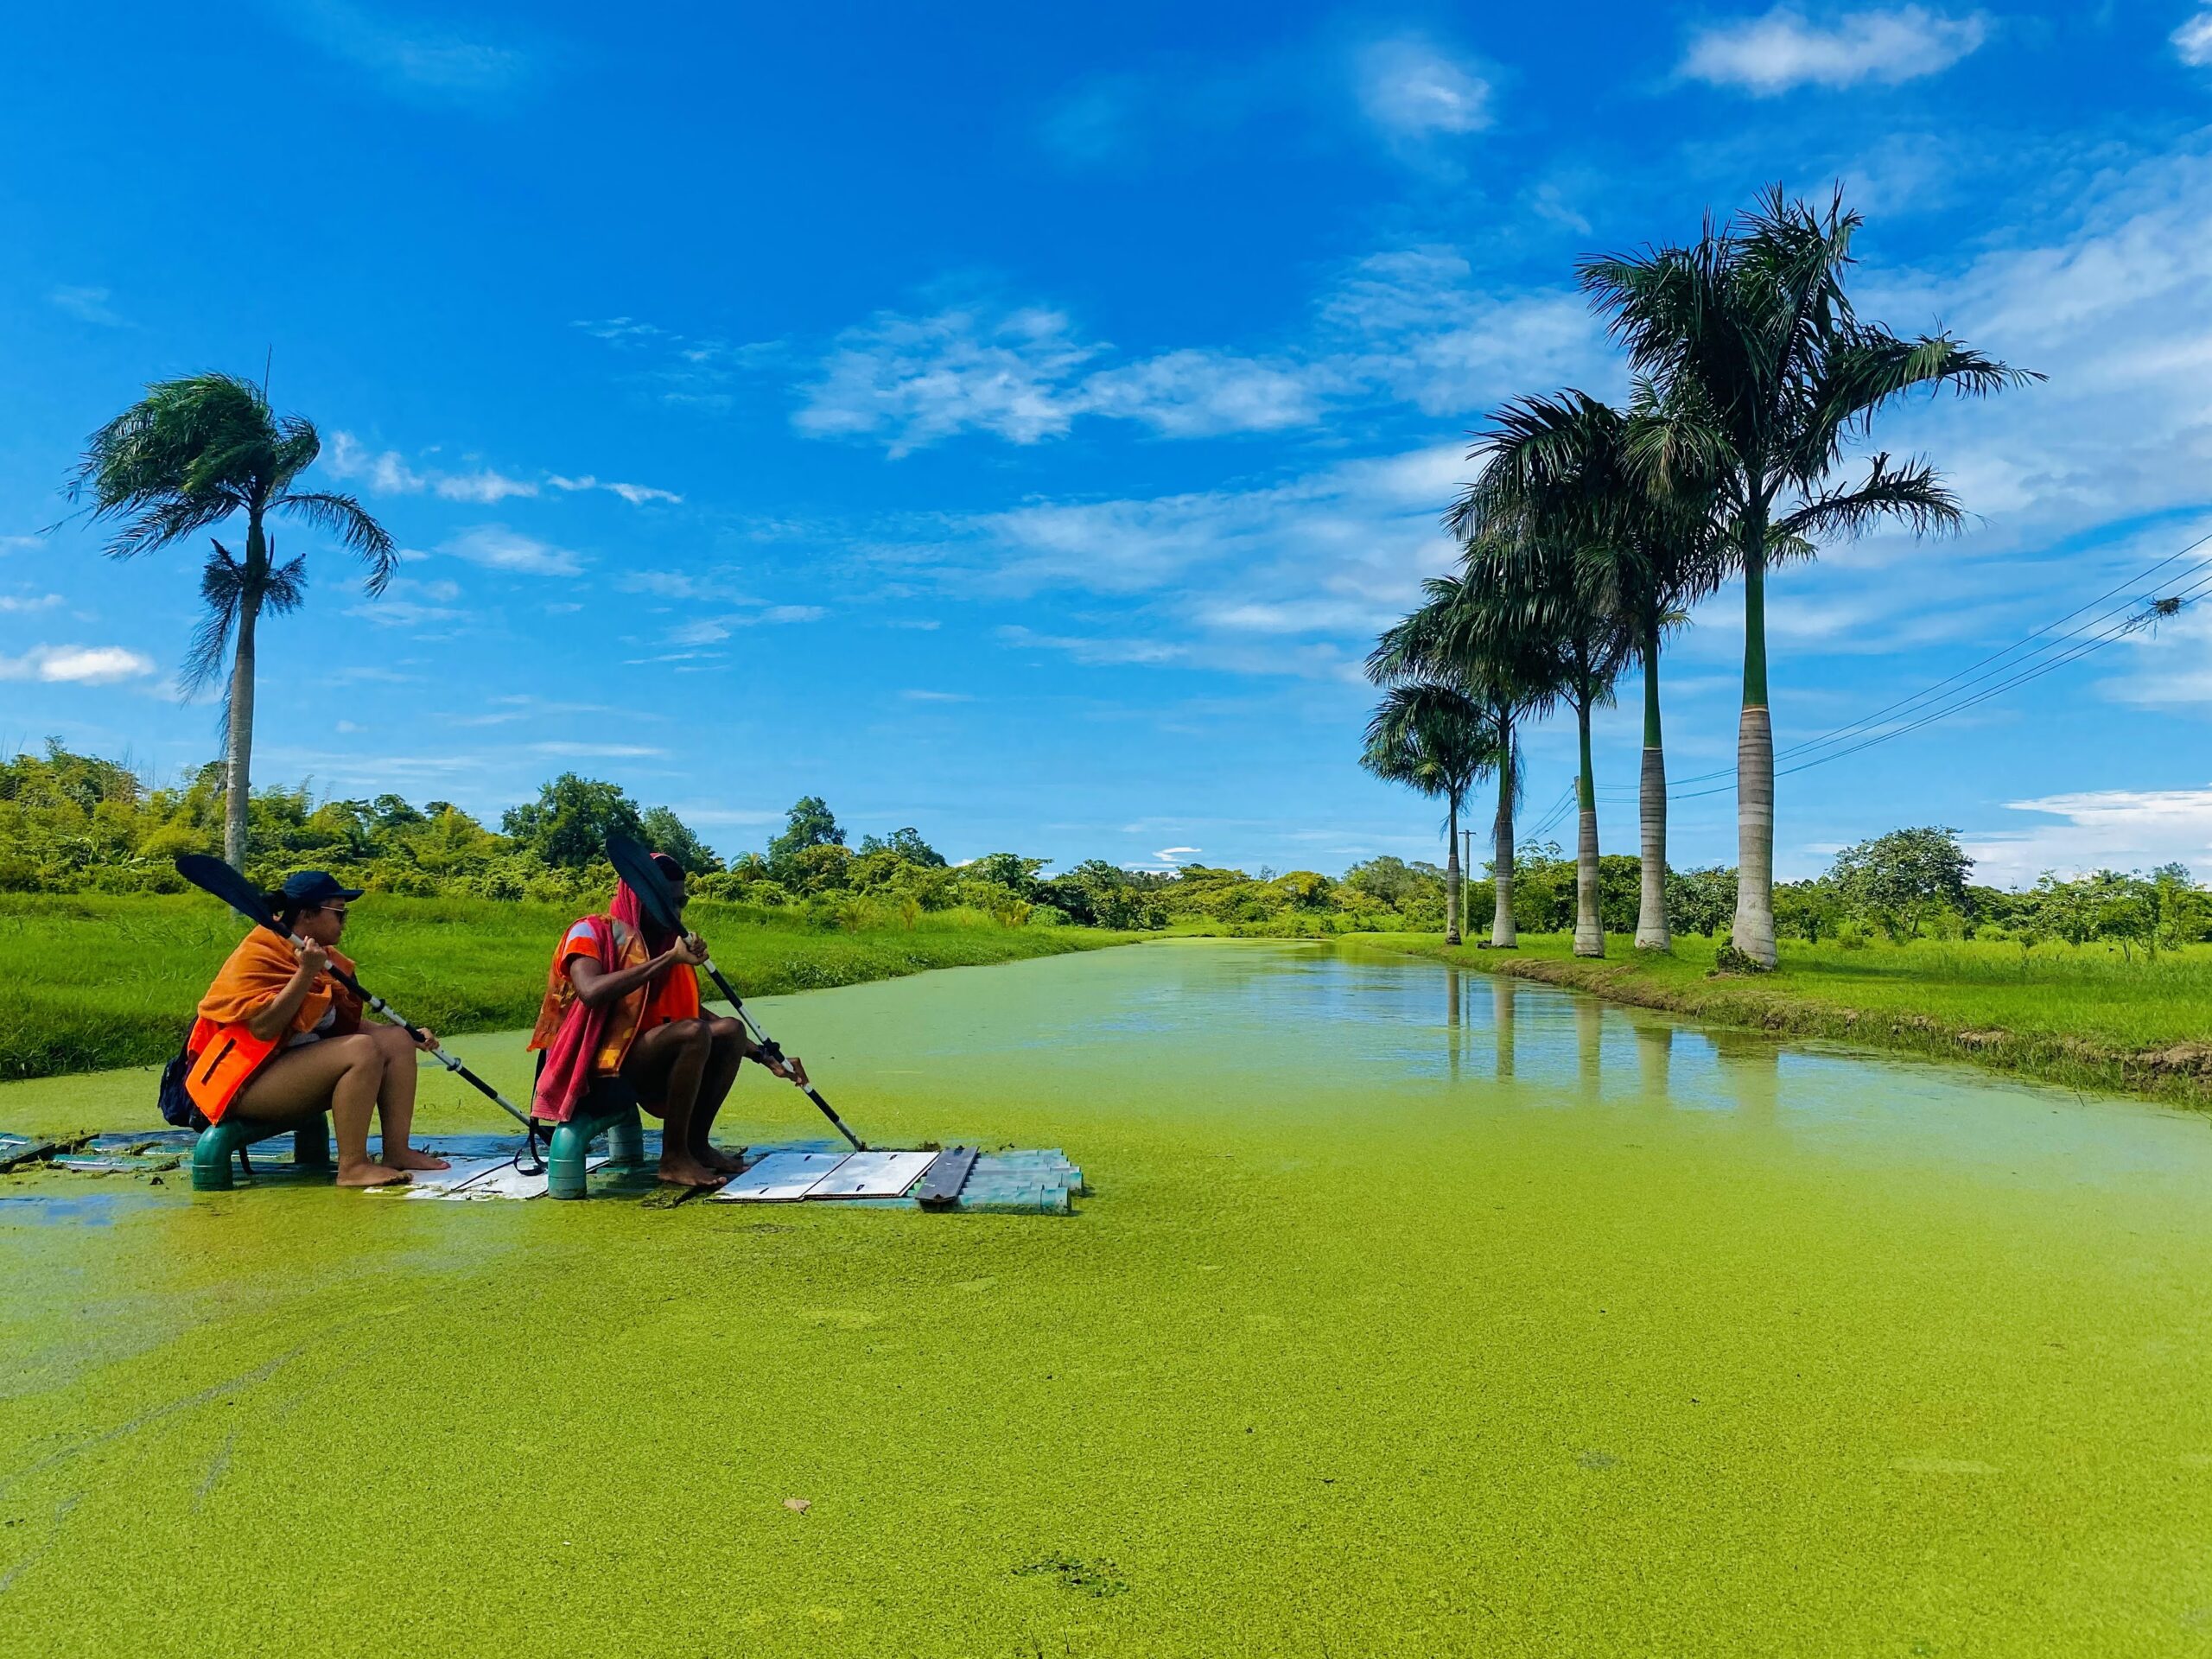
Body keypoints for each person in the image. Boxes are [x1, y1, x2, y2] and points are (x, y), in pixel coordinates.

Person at [527, 852, 806, 1188]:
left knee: (730, 1029)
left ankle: (696, 1146)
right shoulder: (591, 932)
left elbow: (691, 1011)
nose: (674, 915)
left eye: (680, 904)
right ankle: (673, 1158)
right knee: (692, 1034)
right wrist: (668, 959)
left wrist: (763, 1056)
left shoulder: (660, 944)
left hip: (643, 1061)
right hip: (591, 1072)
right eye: (665, 905)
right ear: (639, 899)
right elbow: (591, 991)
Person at [185, 871, 449, 1188]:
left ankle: (398, 1150)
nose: (344, 920)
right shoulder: (262, 953)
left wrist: (406, 1034)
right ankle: (352, 1166)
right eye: (339, 912)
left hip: (290, 1068)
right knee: (361, 1050)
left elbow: (327, 1022)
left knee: (394, 1040)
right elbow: (264, 1028)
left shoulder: (319, 954)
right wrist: (306, 974)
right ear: (308, 915)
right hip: (244, 1082)